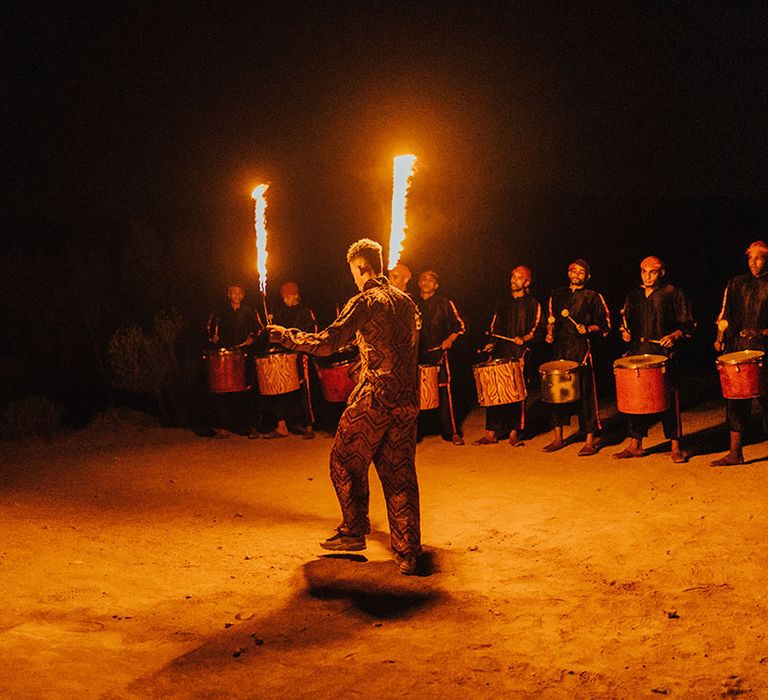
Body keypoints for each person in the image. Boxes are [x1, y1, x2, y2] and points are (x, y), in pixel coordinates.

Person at [267, 239, 422, 575]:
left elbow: (326, 343)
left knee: (344, 458)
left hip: (376, 397)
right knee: (399, 473)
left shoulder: (364, 301)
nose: (353, 278)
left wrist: (285, 335)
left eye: (353, 271)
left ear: (362, 268)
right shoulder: (407, 303)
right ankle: (409, 552)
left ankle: (353, 531)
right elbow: (398, 348)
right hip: (408, 398)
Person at [613, 256, 696, 463]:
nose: (647, 276)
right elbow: (625, 323)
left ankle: (675, 446)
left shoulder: (673, 293)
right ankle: (635, 444)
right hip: (638, 352)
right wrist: (624, 332)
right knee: (635, 399)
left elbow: (688, 324)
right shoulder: (634, 295)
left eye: (652, 272)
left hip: (663, 355)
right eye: (643, 271)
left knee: (670, 399)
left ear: (662, 273)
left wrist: (674, 336)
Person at [543, 259, 610, 456]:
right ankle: (558, 438)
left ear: (587, 276)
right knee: (556, 393)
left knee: (586, 394)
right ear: (568, 272)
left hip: (581, 349)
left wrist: (588, 328)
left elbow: (606, 325)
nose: (577, 275)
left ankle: (590, 440)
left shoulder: (593, 296)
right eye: (573, 271)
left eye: (581, 272)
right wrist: (549, 332)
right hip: (560, 348)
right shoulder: (556, 294)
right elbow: (551, 318)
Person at [711, 240, 768, 466]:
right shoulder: (736, 282)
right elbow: (725, 314)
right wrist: (719, 338)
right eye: (750, 258)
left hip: (765, 351)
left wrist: (761, 331)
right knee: (736, 400)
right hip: (738, 349)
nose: (753, 262)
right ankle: (736, 453)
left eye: (759, 258)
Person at [473, 265, 543, 446]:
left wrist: (525, 338)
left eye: (519, 277)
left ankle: (514, 432)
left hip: (520, 352)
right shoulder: (502, 303)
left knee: (516, 392)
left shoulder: (533, 304)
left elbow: (538, 328)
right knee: (494, 389)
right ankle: (491, 433)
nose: (514, 280)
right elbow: (495, 328)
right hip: (501, 350)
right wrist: (491, 342)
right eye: (513, 276)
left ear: (527, 282)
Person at [417, 270, 467, 445]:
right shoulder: (411, 303)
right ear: (418, 283)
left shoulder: (444, 303)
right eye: (423, 279)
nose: (426, 282)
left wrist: (450, 339)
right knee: (415, 394)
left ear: (436, 285)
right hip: (417, 356)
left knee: (445, 392)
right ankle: (414, 433)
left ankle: (452, 431)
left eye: (430, 280)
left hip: (440, 354)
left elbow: (460, 326)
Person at [206, 283, 263, 438]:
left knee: (247, 390)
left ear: (243, 295)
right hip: (227, 356)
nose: (236, 296)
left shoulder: (250, 311)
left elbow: (260, 328)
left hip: (245, 354)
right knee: (224, 391)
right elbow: (211, 329)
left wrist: (252, 337)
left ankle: (250, 427)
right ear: (229, 295)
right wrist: (213, 337)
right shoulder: (220, 312)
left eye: (239, 293)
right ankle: (224, 426)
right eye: (233, 293)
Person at [263, 281, 318, 439]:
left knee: (304, 390)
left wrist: (299, 347)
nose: (285, 300)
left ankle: (308, 426)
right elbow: (277, 336)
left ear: (295, 295)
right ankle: (282, 426)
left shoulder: (305, 311)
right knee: (280, 387)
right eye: (284, 297)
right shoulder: (281, 312)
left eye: (287, 296)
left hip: (301, 356)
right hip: (285, 357)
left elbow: (313, 332)